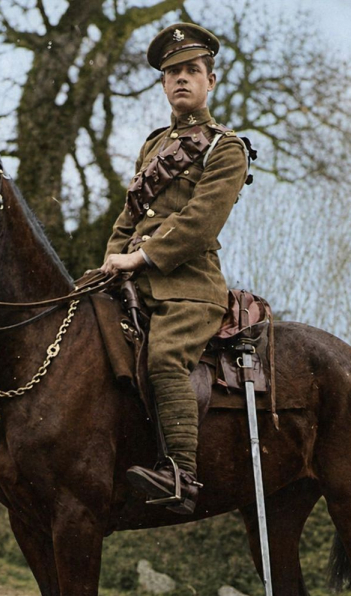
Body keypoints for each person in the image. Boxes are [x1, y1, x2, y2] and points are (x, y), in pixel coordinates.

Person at [100, 22, 250, 514]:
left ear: (211, 81)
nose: (181, 79)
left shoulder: (226, 147)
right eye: (172, 73)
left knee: (164, 358)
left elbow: (199, 223)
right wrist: (111, 261)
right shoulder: (154, 146)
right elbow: (130, 215)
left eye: (192, 70)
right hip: (135, 280)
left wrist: (140, 257)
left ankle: (179, 477)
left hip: (189, 286)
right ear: (163, 84)